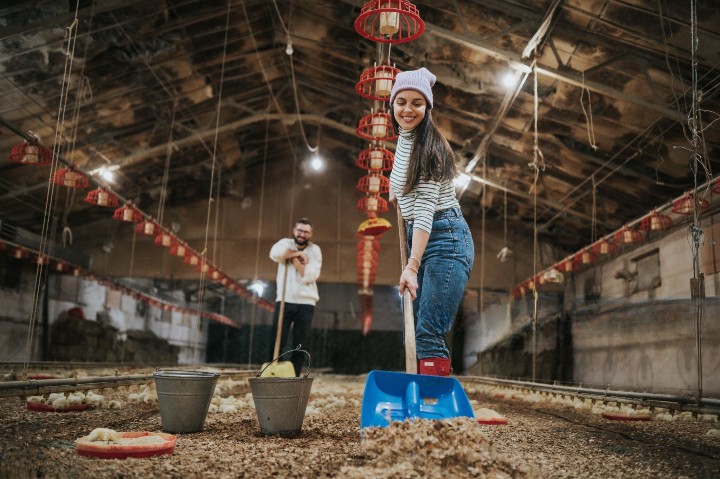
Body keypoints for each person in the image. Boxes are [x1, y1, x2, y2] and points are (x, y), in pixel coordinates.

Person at [388, 67, 475, 377]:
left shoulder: (430, 152)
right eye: (401, 101)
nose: (407, 110)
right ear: (392, 104)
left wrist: (411, 267)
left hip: (444, 238)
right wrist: (395, 186)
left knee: (427, 331)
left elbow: (425, 211)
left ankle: (432, 406)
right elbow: (404, 175)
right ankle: (424, 400)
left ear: (427, 108)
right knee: (415, 326)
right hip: (422, 236)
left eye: (417, 103)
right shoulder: (406, 136)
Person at [268, 218, 322, 376]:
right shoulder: (284, 243)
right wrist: (298, 254)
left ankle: (294, 375)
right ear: (294, 230)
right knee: (277, 339)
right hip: (285, 299)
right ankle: (272, 371)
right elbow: (275, 254)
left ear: (310, 234)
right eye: (300, 230)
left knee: (300, 342)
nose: (302, 234)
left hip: (306, 302)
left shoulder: (315, 250)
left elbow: (309, 275)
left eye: (306, 232)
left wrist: (291, 258)